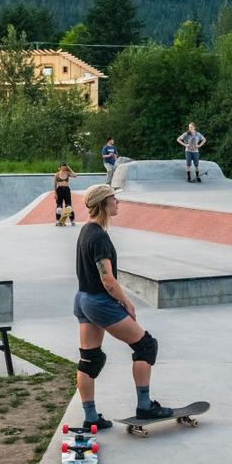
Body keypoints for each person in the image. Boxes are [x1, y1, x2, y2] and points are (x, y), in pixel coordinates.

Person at [72, 184, 172, 430]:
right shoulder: (99, 237)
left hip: (83, 299)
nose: (118, 203)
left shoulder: (86, 231)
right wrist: (126, 302)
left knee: (90, 360)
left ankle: (91, 417)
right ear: (104, 203)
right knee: (145, 346)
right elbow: (107, 279)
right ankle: (145, 406)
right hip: (99, 302)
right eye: (114, 199)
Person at [54, 162, 74, 227]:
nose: (64, 167)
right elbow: (54, 185)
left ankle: (72, 220)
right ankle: (58, 220)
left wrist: (69, 168)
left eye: (65, 166)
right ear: (60, 167)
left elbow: (75, 175)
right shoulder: (56, 174)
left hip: (66, 190)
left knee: (69, 207)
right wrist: (55, 193)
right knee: (59, 208)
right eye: (62, 166)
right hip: (59, 190)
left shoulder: (67, 173)